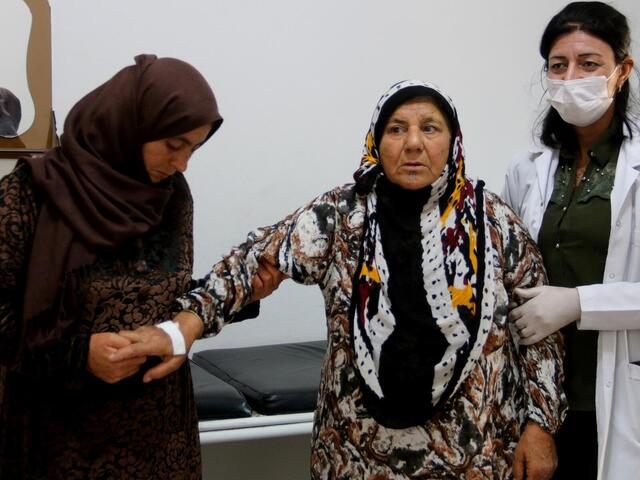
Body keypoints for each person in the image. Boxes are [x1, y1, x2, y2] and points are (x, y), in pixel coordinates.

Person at [116, 80, 567, 479]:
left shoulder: (494, 223)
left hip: (475, 453)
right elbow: (253, 262)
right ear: (376, 139)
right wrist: (182, 329)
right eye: (396, 129)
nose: (413, 143)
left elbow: (539, 332)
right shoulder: (342, 215)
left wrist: (540, 425)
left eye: (430, 128)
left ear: (453, 141)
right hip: (355, 452)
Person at [0, 54, 274, 479]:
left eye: (194, 148)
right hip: (63, 440)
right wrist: (78, 356)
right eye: (174, 145)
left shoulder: (170, 196)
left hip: (161, 440)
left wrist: (241, 296)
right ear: (131, 125)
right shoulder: (31, 193)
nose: (183, 164)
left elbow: (165, 295)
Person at [502, 2, 639, 479]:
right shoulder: (528, 169)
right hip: (542, 397)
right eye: (558, 66)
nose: (570, 76)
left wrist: (580, 303)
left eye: (589, 64)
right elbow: (508, 272)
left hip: (622, 391)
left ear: (622, 71)